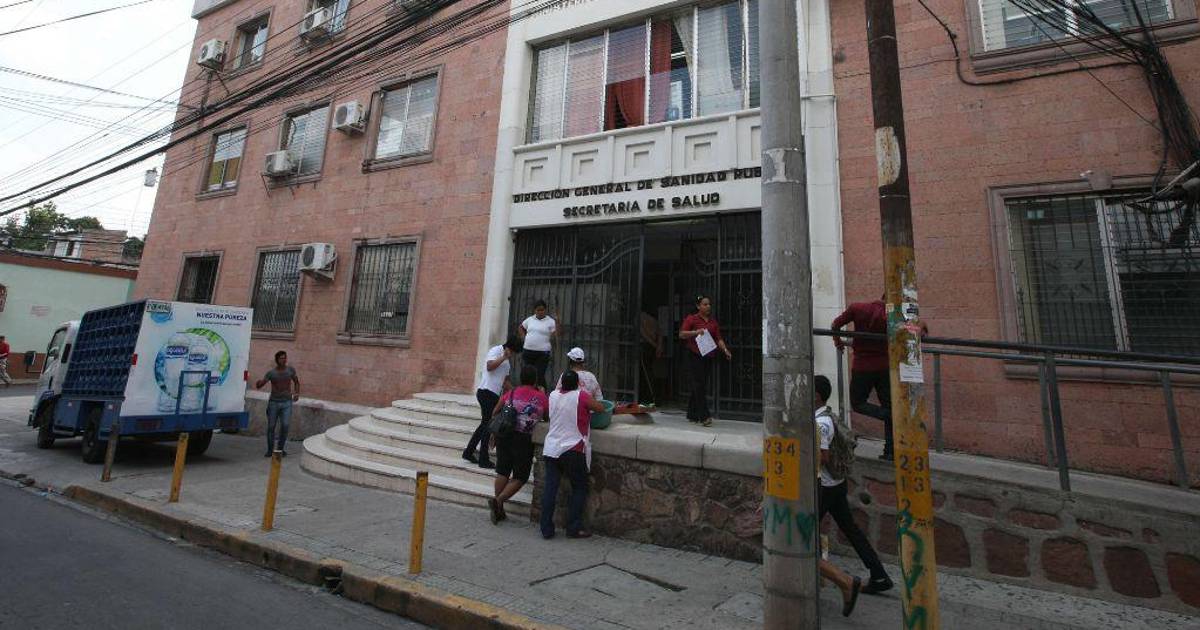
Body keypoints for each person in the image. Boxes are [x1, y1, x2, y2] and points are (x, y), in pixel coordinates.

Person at [814, 375, 894, 595]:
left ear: (816, 396)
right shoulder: (828, 416)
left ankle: (836, 579)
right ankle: (879, 574)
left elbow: (822, 457)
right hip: (837, 483)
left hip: (825, 487)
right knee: (851, 529)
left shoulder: (820, 424)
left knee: (805, 532)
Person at [831, 295, 927, 461]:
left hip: (862, 365)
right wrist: (920, 324)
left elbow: (835, 325)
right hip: (885, 367)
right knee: (889, 404)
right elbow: (920, 333)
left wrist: (837, 341)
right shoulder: (895, 318)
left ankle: (889, 415)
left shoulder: (857, 308)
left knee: (858, 403)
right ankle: (890, 451)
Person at [541, 370, 603, 540]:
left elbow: (547, 413)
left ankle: (546, 528)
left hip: (552, 448)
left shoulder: (552, 395)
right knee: (580, 487)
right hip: (573, 448)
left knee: (550, 489)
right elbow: (600, 407)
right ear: (577, 384)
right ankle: (573, 527)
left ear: (561, 383)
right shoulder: (581, 396)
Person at [487, 365, 548, 525]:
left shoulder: (511, 393)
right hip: (523, 439)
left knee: (503, 471)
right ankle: (498, 501)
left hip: (505, 436)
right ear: (535, 380)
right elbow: (547, 417)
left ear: (520, 378)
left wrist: (494, 433)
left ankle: (499, 509)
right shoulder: (541, 397)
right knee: (520, 476)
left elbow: (495, 412)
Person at [465, 335, 520, 469]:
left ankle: (469, 452)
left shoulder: (507, 363)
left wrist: (517, 392)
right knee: (488, 425)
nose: (513, 355)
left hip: (494, 395)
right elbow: (490, 367)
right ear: (509, 348)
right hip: (485, 391)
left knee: (484, 424)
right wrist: (503, 357)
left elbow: (505, 382)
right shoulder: (496, 351)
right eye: (513, 352)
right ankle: (483, 459)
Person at [678, 295, 731, 427]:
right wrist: (696, 332)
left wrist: (725, 350)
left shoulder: (713, 322)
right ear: (698, 306)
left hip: (708, 355)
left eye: (709, 304)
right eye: (705, 304)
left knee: (700, 384)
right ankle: (704, 416)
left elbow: (718, 338)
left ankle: (691, 413)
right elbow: (682, 334)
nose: (708, 307)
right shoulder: (692, 319)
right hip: (695, 355)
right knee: (699, 384)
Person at [254, 351, 300, 457]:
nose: (284, 360)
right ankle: (270, 450)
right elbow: (261, 384)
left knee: (285, 425)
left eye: (285, 358)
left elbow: (296, 382)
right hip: (274, 403)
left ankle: (280, 449)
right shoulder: (271, 373)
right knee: (271, 427)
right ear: (277, 360)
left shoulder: (290, 370)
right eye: (281, 358)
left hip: (287, 402)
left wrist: (297, 393)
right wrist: (259, 383)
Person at [518, 300, 557, 392]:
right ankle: (527, 393)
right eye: (538, 310)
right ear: (534, 310)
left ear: (545, 310)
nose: (540, 312)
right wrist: (523, 338)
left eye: (542, 310)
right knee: (527, 375)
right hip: (528, 351)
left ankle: (542, 395)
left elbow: (556, 333)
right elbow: (521, 327)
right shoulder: (530, 319)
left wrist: (557, 324)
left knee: (539, 375)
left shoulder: (550, 321)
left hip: (543, 353)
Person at [638, 310, 662, 407]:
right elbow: (660, 333)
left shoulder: (640, 317)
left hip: (645, 346)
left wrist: (655, 345)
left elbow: (643, 334)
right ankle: (649, 397)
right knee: (648, 371)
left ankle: (652, 398)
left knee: (646, 373)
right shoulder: (654, 319)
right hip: (650, 347)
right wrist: (658, 346)